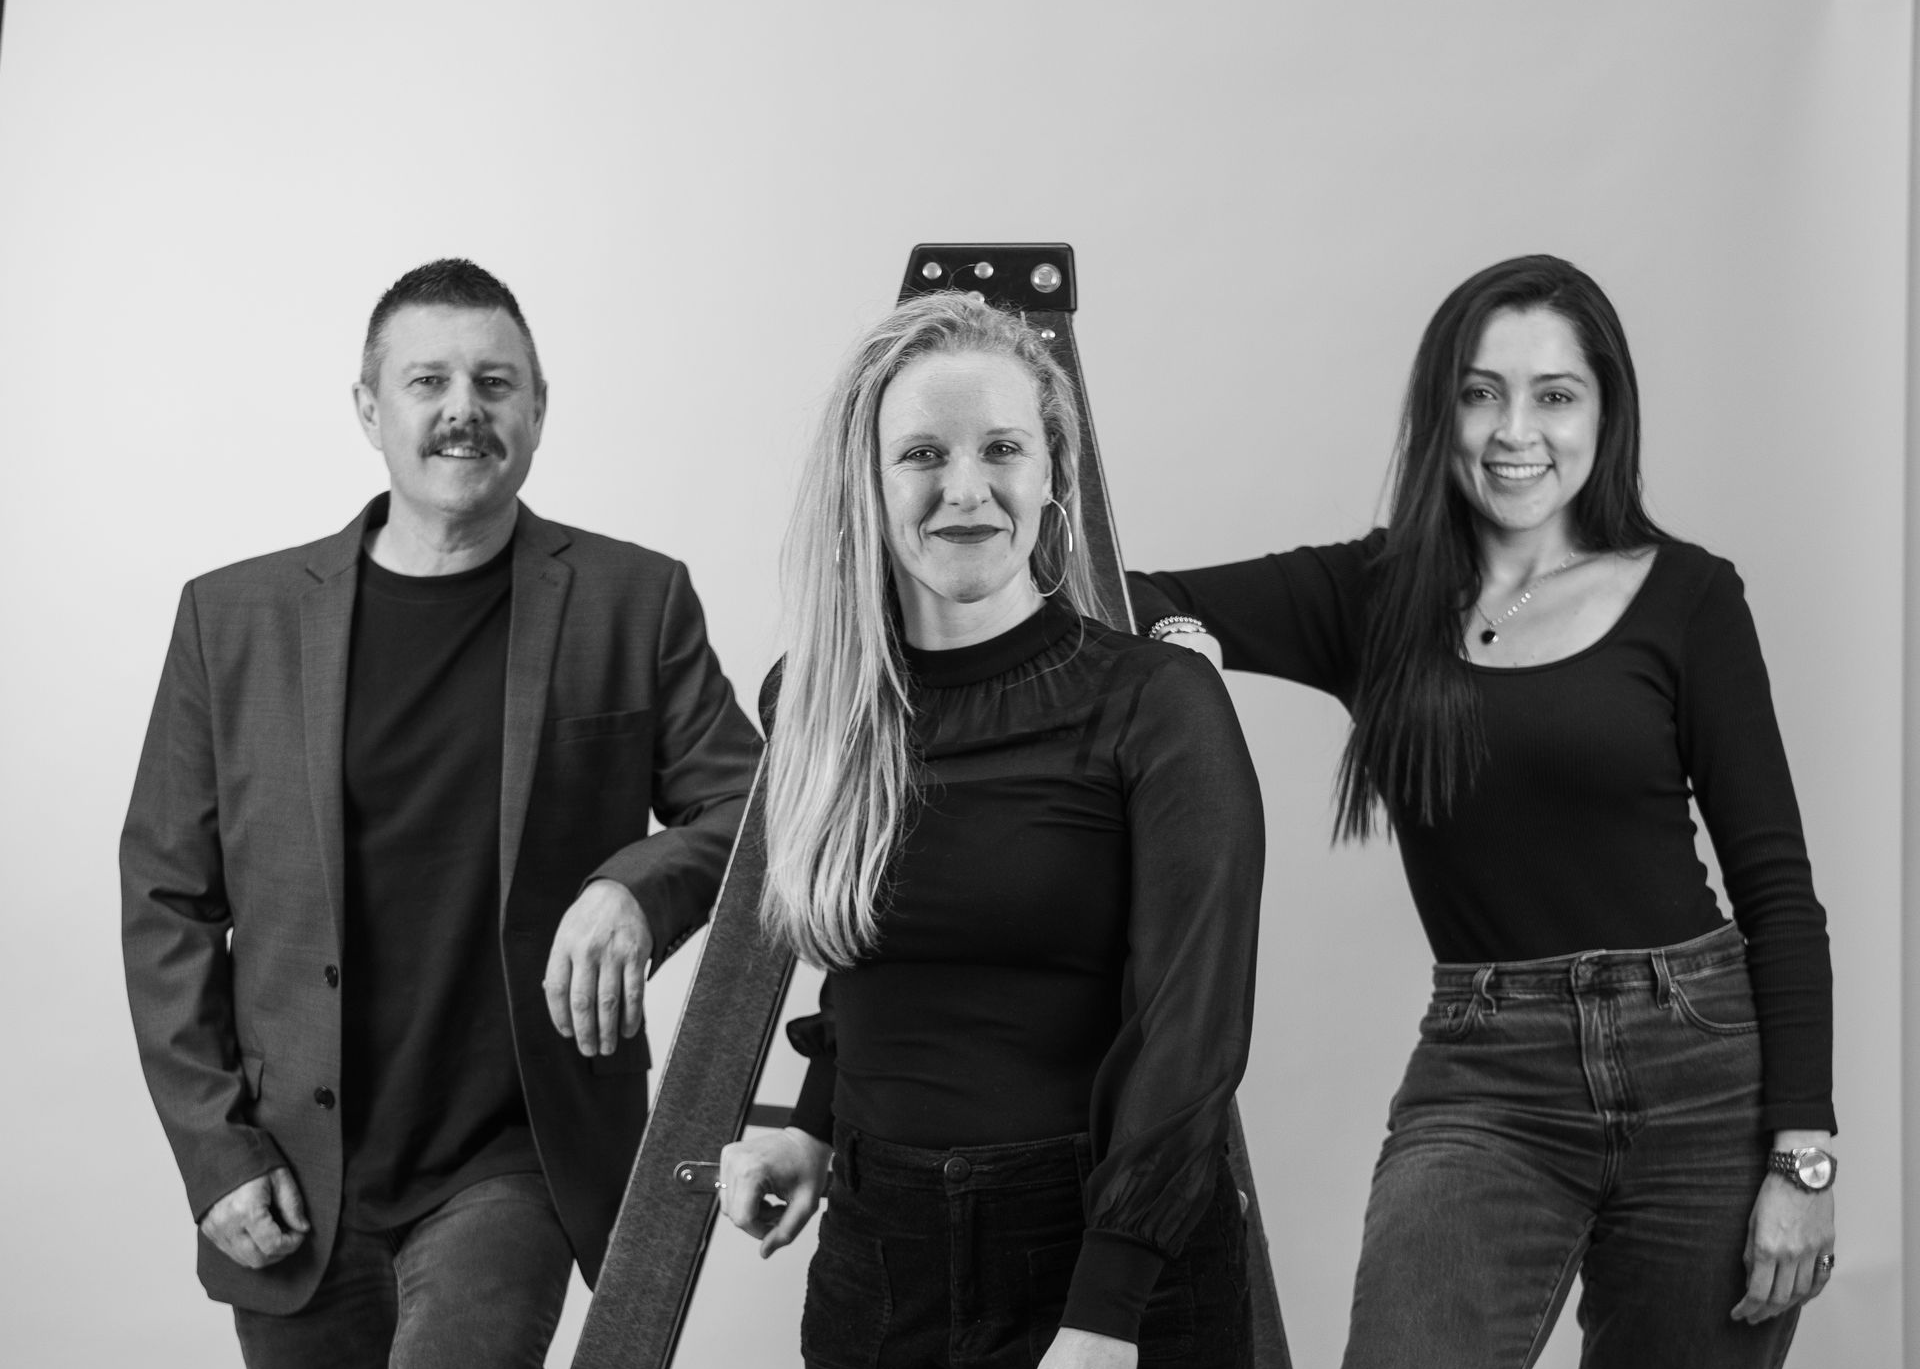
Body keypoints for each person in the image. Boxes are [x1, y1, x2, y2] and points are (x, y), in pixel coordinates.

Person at [1129, 254, 1836, 1367]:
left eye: (1555, 394)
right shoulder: (1376, 595)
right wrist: (1183, 655)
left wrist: (1804, 1155)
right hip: (1487, 1076)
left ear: (1606, 411)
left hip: (1704, 1066)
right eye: (1479, 391)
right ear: (1440, 410)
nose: (1516, 430)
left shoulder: (1692, 599)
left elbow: (1781, 896)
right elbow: (1125, 599)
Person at [120, 258, 760, 1368]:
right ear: (370, 408)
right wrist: (213, 1152)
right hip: (293, 1164)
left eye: (495, 382)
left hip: (514, 1151)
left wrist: (635, 887)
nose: (464, 409)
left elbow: (746, 804)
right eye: (429, 380)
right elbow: (166, 899)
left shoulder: (631, 599)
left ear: (540, 408)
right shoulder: (233, 620)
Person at [714, 291, 1264, 1369]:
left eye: (1002, 448)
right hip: (882, 1266)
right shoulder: (813, 698)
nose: (964, 490)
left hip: (1109, 1262)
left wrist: (1109, 1309)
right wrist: (814, 1124)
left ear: (1054, 471)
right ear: (868, 482)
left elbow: (1188, 1028)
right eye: (922, 452)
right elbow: (883, 957)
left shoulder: (1158, 702)